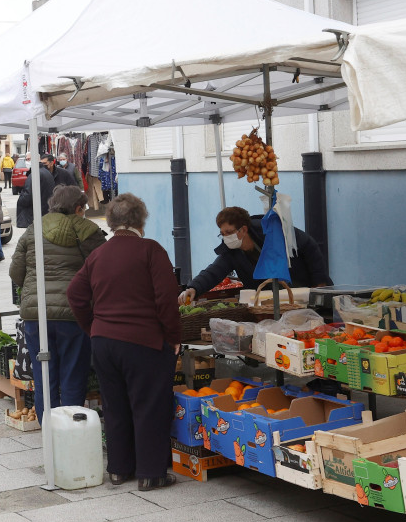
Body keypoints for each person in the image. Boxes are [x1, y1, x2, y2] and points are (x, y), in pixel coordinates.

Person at [67, 193, 180, 491]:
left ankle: (118, 469)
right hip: (143, 341)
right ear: (140, 221)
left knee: (115, 406)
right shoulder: (150, 250)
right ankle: (151, 474)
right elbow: (167, 299)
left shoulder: (98, 254)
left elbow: (74, 294)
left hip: (104, 343)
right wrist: (173, 337)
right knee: (149, 406)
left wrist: (93, 328)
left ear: (111, 221)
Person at [9, 186, 106, 422]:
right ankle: (71, 431)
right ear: (77, 208)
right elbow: (104, 270)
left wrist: (35, 288)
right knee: (73, 376)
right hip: (74, 314)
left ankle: (49, 433)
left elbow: (15, 272)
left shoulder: (33, 230)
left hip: (36, 314)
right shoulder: (87, 231)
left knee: (44, 377)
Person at [178, 206, 333, 305]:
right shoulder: (231, 252)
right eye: (222, 234)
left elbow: (309, 245)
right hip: (271, 304)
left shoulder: (273, 232)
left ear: (243, 229)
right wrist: (194, 288)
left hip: (304, 291)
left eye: (229, 232)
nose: (226, 238)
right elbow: (214, 271)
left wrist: (319, 283)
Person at [15, 158, 55, 228]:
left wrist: (20, 200)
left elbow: (27, 196)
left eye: (28, 159)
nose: (26, 161)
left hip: (34, 214)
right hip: (44, 211)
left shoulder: (35, 174)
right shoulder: (46, 172)